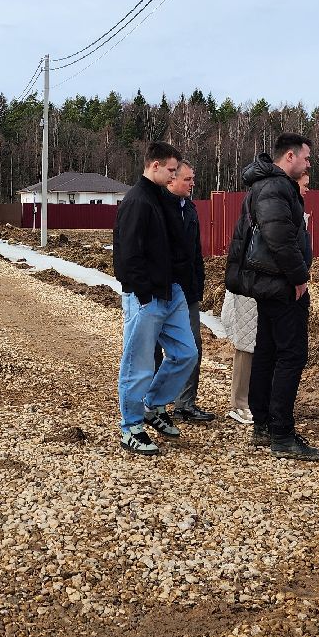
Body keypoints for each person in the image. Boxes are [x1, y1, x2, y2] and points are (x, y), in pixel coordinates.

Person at [223, 133, 319, 461]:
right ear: (290, 157)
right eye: (306, 158)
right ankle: (281, 433)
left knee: (265, 352)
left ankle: (263, 426)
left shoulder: (265, 185)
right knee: (290, 355)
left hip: (268, 284)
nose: (309, 164)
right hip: (280, 286)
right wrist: (299, 278)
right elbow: (279, 237)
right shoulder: (276, 187)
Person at [113, 141, 199, 456]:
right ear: (155, 166)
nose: (176, 174)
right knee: (138, 364)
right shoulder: (137, 201)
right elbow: (126, 255)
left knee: (186, 353)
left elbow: (177, 248)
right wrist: (144, 293)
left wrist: (181, 286)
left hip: (171, 292)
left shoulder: (163, 200)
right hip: (146, 296)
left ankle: (153, 404)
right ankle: (131, 427)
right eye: (172, 170)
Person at [152, 160, 214, 423]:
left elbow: (195, 253)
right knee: (154, 349)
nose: (192, 184)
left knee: (192, 347)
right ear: (171, 180)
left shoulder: (189, 208)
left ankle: (185, 403)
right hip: (160, 292)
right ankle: (154, 406)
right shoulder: (156, 208)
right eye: (188, 179)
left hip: (186, 292)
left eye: (193, 178)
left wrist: (197, 284)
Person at [218, 289, 256, 424]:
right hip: (246, 292)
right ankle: (240, 404)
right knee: (246, 347)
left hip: (267, 290)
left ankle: (257, 399)